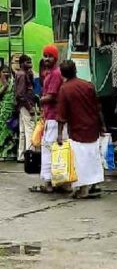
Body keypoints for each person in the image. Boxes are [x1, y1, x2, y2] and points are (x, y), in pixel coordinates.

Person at [55, 60, 106, 199]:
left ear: (62, 74)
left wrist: (59, 134)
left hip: (77, 130)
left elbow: (61, 115)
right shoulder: (88, 85)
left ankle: (83, 189)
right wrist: (102, 126)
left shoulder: (65, 89)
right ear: (75, 70)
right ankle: (94, 185)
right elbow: (98, 108)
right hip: (92, 127)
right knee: (93, 157)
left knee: (80, 161)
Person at [31, 45, 63, 193]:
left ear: (55, 58)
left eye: (49, 56)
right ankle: (55, 182)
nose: (46, 59)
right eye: (45, 56)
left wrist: (39, 100)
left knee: (48, 149)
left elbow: (51, 96)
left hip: (53, 118)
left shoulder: (55, 74)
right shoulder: (50, 72)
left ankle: (48, 183)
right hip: (50, 116)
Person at [14, 54, 37, 163]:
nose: (30, 64)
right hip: (25, 105)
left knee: (23, 131)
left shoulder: (22, 74)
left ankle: (21, 155)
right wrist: (30, 107)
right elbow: (21, 94)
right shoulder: (22, 75)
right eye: (28, 62)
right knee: (29, 129)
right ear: (22, 63)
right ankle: (29, 155)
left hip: (21, 105)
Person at [0, 60, 14, 160]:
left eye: (7, 72)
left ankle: (6, 153)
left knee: (8, 131)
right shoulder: (3, 82)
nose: (6, 74)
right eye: (4, 72)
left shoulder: (12, 82)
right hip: (3, 109)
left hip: (9, 110)